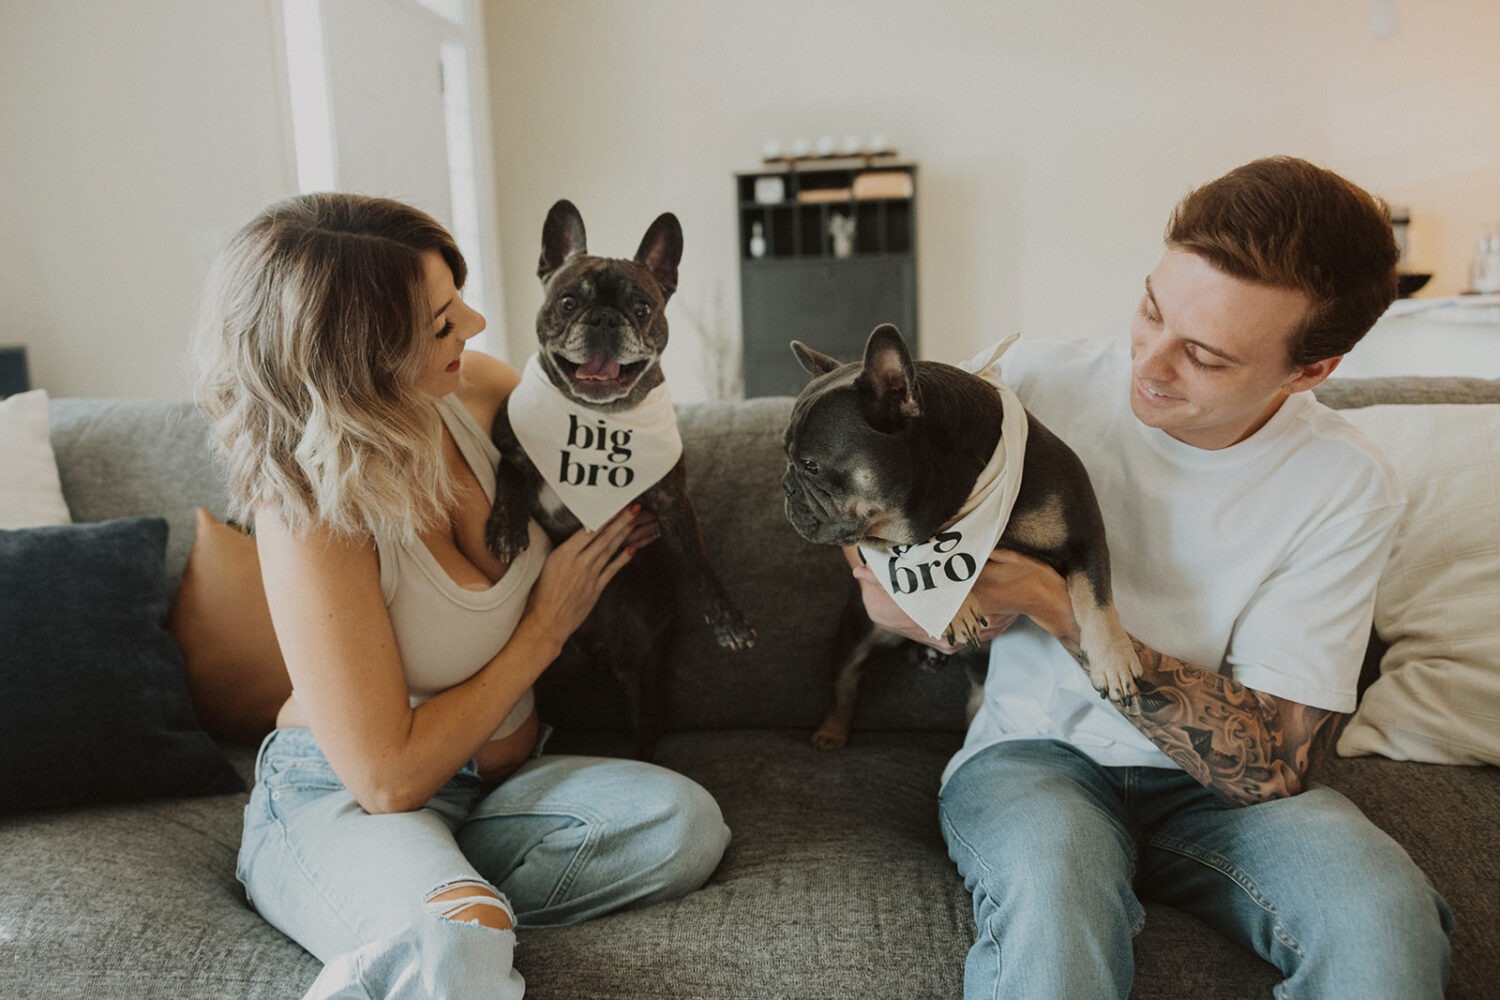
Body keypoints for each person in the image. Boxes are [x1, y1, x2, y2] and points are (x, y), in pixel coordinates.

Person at [849, 157, 1453, 998]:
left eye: (1204, 355)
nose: (1150, 364)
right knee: (1054, 911)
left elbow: (1271, 762)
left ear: (1312, 370)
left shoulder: (1344, 486)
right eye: (1150, 310)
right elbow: (862, 476)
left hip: (1218, 799)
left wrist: (1060, 610)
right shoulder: (1027, 386)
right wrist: (892, 584)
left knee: (1383, 922)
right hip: (1033, 758)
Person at [191, 192, 729, 1000]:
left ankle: (413, 903)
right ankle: (415, 904)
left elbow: (627, 444)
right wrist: (546, 628)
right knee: (460, 945)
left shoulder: (479, 392)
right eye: (441, 322)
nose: (474, 327)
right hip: (352, 797)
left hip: (498, 790)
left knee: (685, 826)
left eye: (459, 300)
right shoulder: (307, 507)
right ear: (357, 355)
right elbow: (387, 781)